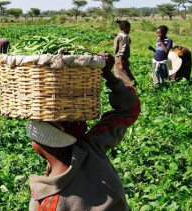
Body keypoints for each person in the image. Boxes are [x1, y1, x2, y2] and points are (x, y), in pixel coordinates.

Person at [27, 52, 141, 210]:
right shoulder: (91, 146)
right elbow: (129, 110)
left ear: (40, 140)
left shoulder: (45, 202)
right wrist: (109, 75)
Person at [113, 20, 137, 87]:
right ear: (124, 27)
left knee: (119, 78)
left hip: (117, 60)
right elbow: (121, 51)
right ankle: (132, 91)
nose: (130, 29)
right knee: (130, 81)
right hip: (121, 60)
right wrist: (121, 64)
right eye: (129, 27)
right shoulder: (123, 37)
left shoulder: (119, 36)